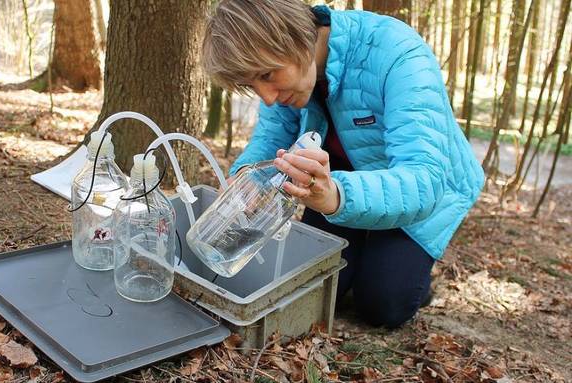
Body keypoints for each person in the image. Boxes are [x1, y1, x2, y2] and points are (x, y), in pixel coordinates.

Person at [201, 0, 484, 328]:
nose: (267, 97)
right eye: (253, 85)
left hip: (420, 186)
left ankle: (404, 267)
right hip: (338, 181)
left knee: (383, 305)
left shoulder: (398, 54)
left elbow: (424, 179)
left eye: (267, 75)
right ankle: (362, 242)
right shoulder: (284, 73)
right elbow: (269, 141)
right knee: (315, 288)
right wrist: (243, 180)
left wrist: (335, 196)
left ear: (296, 36)